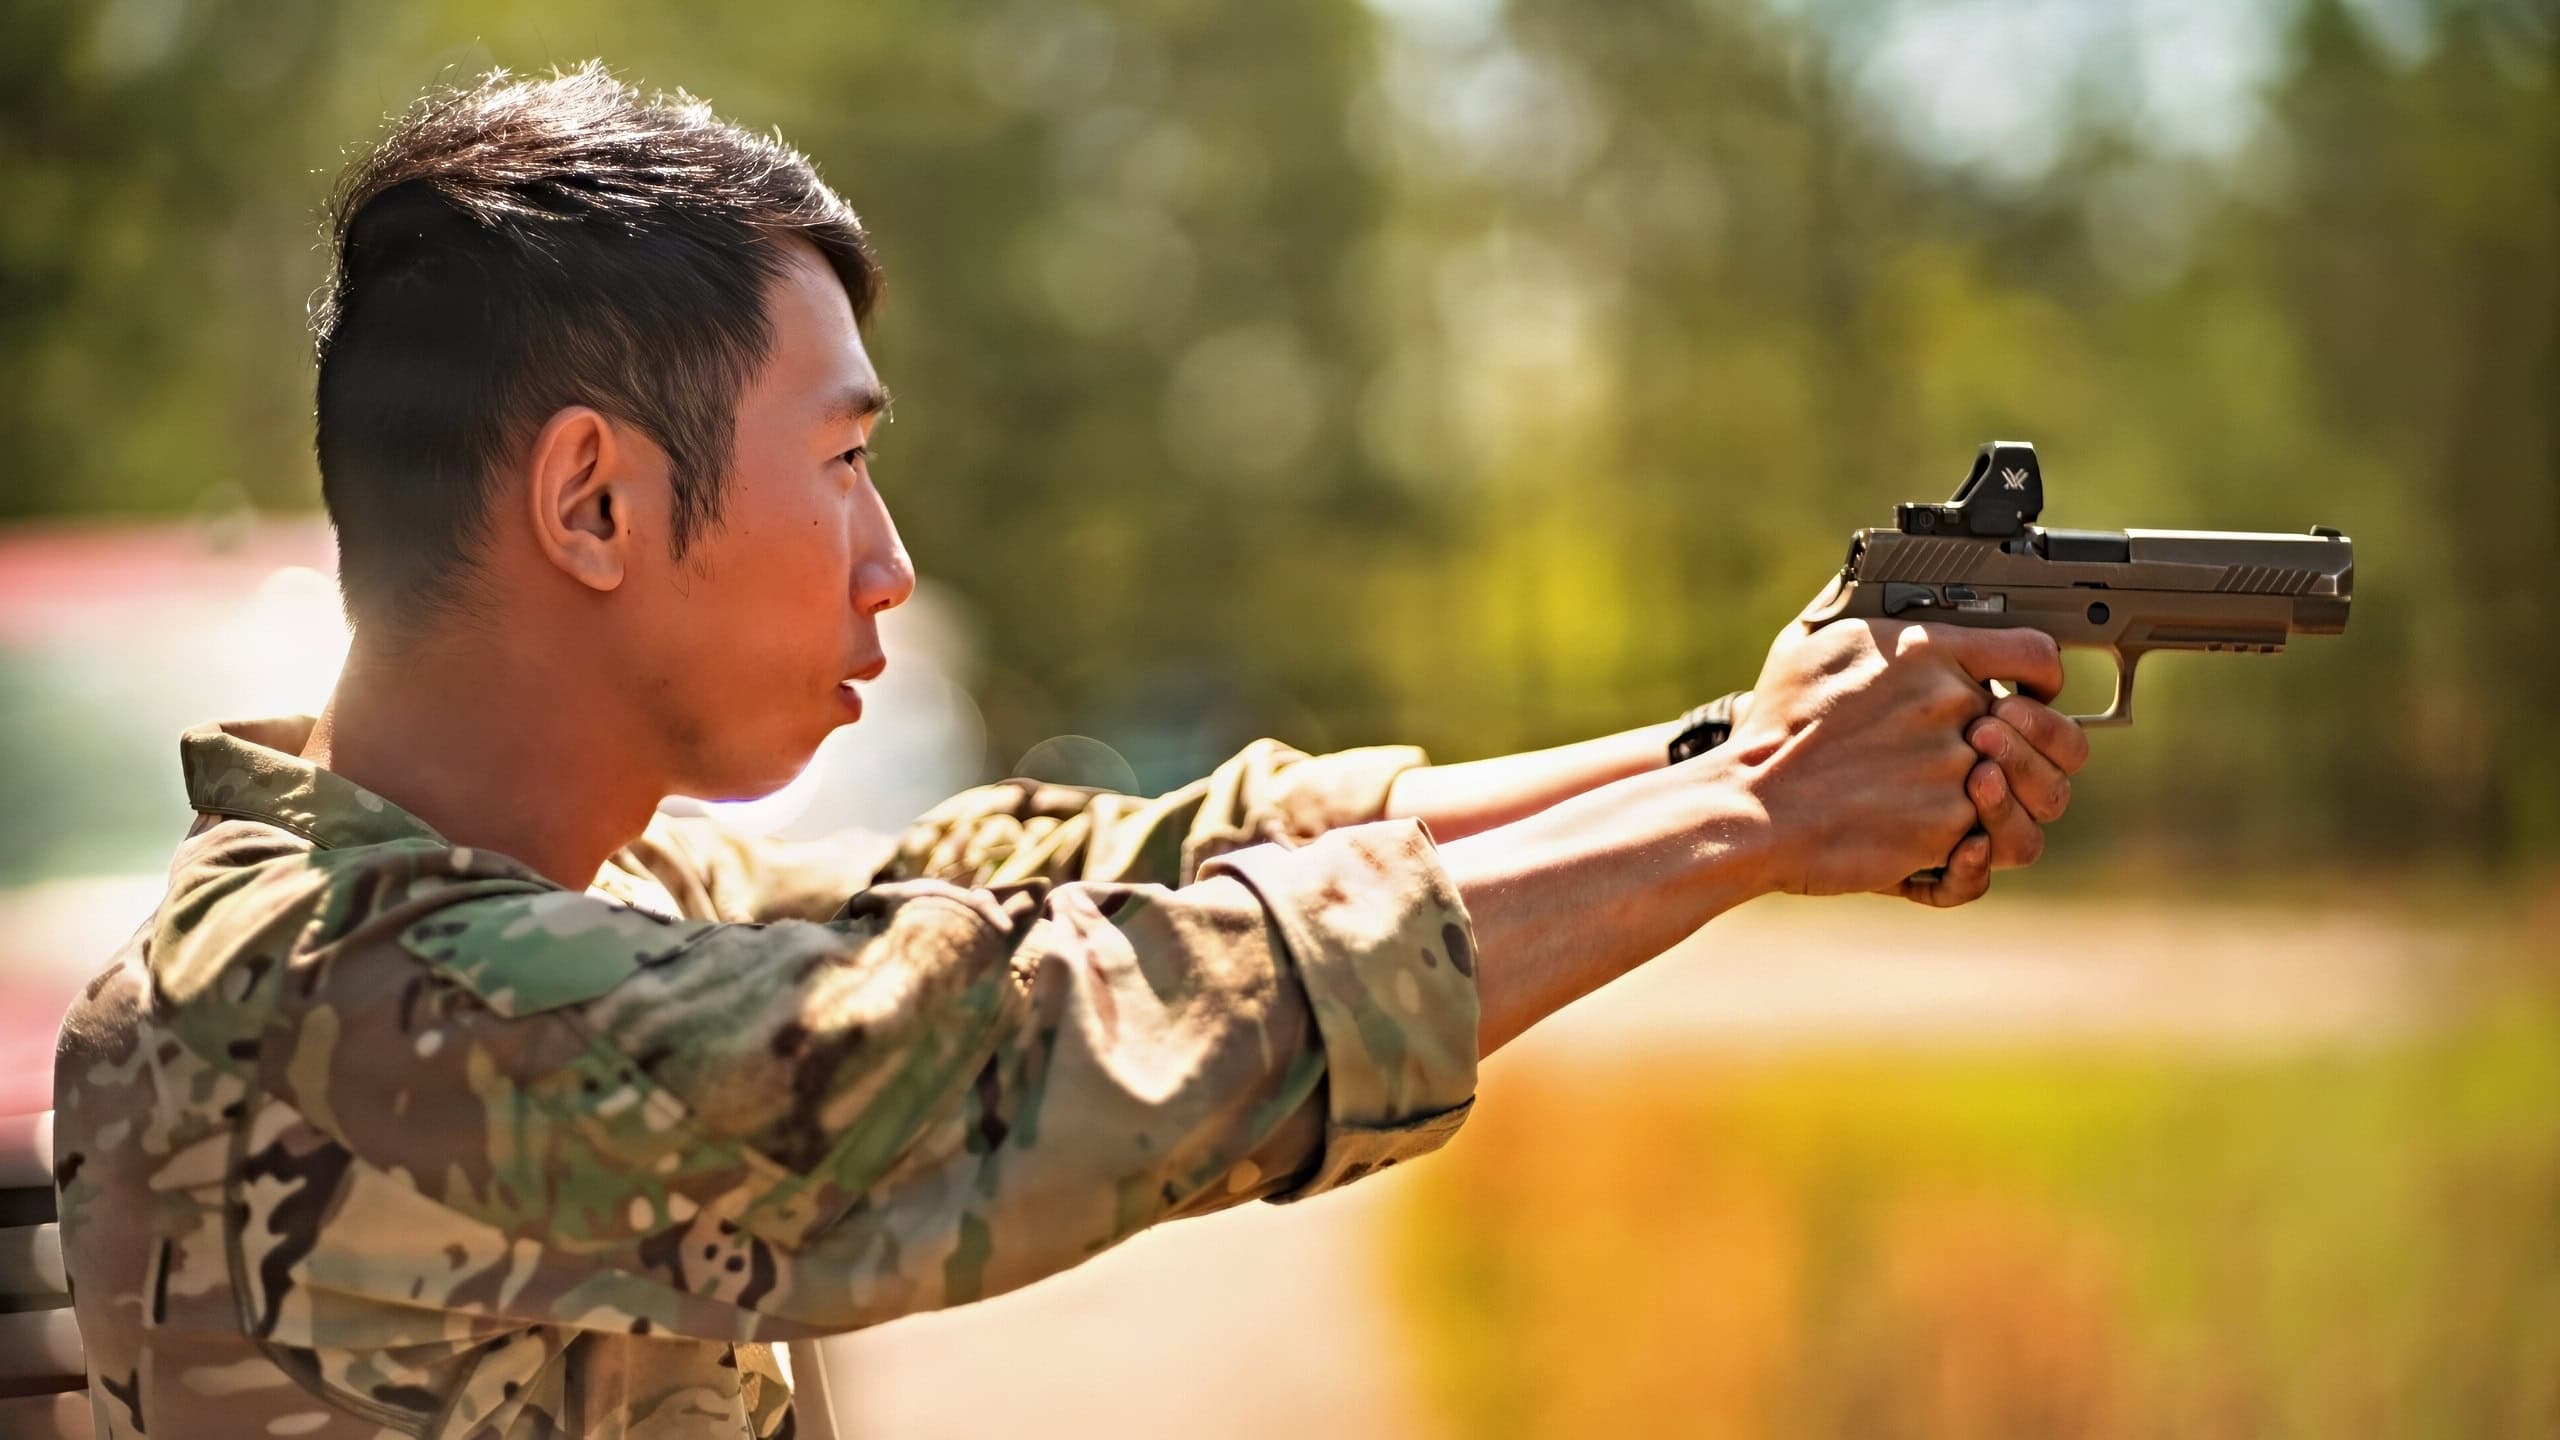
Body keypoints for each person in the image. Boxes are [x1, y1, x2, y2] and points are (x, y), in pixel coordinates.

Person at [51, 64, 2087, 1439]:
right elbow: (1008, 1042)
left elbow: (1097, 869)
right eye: (839, 469)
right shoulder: (334, 1003)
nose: (889, 563)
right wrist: (1754, 813)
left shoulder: (565, 901)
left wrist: (1750, 734)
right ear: (592, 506)